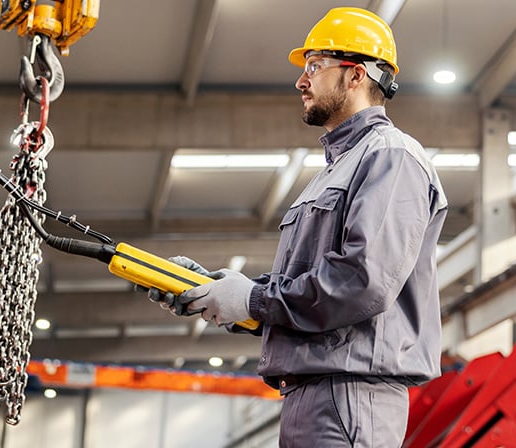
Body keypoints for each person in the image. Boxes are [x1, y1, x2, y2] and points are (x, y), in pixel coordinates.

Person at [147, 7, 447, 447]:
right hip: (314, 392)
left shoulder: (390, 156)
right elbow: (306, 289)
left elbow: (361, 281)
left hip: (350, 394)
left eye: (315, 66)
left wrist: (252, 298)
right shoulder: (336, 170)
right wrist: (216, 294)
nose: (301, 81)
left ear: (356, 75)